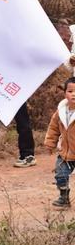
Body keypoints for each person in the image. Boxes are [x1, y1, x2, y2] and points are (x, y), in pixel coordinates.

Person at [44, 77, 75, 208]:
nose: (74, 94)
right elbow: (53, 128)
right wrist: (50, 144)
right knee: (60, 174)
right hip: (65, 153)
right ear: (65, 94)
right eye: (70, 91)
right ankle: (64, 197)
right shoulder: (60, 111)